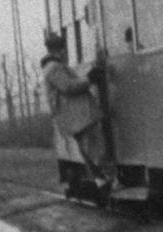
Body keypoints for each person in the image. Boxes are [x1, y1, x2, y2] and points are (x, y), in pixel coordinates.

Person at [40, 31, 115, 196]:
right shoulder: (54, 68)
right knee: (95, 148)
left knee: (89, 149)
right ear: (57, 50)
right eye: (62, 49)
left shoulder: (53, 67)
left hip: (76, 117)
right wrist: (89, 79)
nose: (65, 52)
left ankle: (102, 182)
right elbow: (68, 86)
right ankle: (107, 180)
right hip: (78, 117)